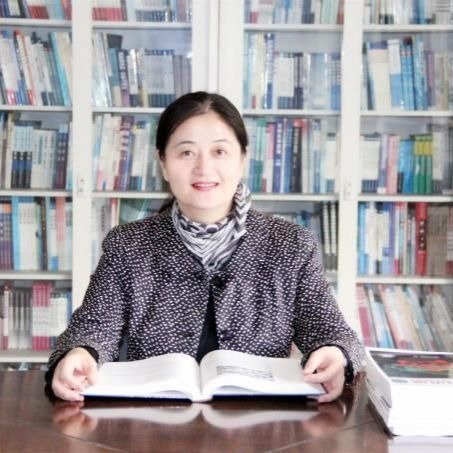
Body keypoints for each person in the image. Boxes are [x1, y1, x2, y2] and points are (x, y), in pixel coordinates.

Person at [46, 91, 363, 402]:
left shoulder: (290, 244)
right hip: (156, 418)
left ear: (242, 159)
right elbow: (92, 328)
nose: (203, 168)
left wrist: (334, 352)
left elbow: (331, 331)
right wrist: (79, 353)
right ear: (163, 164)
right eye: (186, 153)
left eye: (219, 151)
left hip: (262, 419)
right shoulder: (128, 245)